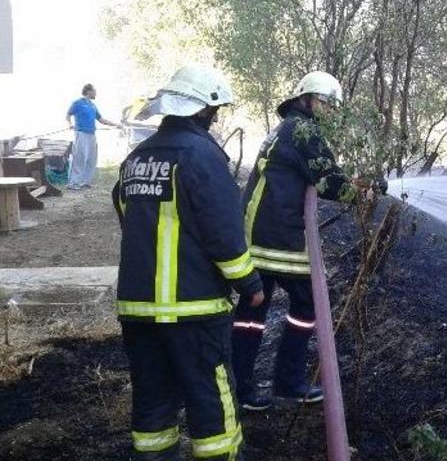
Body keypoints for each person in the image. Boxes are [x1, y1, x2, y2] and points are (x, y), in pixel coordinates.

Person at [112, 64, 264, 460]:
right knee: (211, 405)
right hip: (193, 312)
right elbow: (224, 234)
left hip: (138, 310)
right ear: (203, 111)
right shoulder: (201, 156)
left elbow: (126, 212)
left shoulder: (136, 159)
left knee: (152, 406)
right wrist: (249, 284)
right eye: (215, 113)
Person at [232, 71, 385, 411]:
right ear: (309, 99)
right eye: (327, 102)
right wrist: (368, 191)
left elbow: (315, 174)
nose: (331, 110)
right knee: (307, 302)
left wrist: (352, 182)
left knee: (251, 311)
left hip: (257, 230)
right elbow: (330, 183)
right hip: (276, 235)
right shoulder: (305, 131)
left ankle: (238, 389)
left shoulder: (285, 128)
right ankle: (289, 383)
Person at [66, 83, 120, 189]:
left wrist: (116, 125)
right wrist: (70, 124)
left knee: (91, 158)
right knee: (80, 158)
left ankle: (85, 181)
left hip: (91, 134)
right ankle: (73, 183)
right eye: (94, 90)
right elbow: (67, 115)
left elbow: (101, 119)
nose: (96, 93)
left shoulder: (92, 105)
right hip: (81, 133)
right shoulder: (77, 103)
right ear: (88, 91)